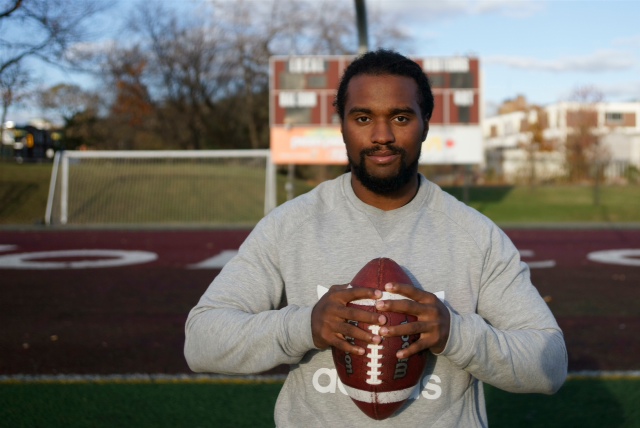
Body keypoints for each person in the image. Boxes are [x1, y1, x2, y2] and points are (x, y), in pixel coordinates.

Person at [184, 49, 567, 427]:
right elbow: (201, 342)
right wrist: (305, 326)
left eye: (400, 117)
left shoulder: (476, 236)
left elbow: (549, 366)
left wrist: (455, 334)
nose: (382, 135)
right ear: (342, 126)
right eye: (363, 117)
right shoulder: (290, 225)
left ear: (426, 124)